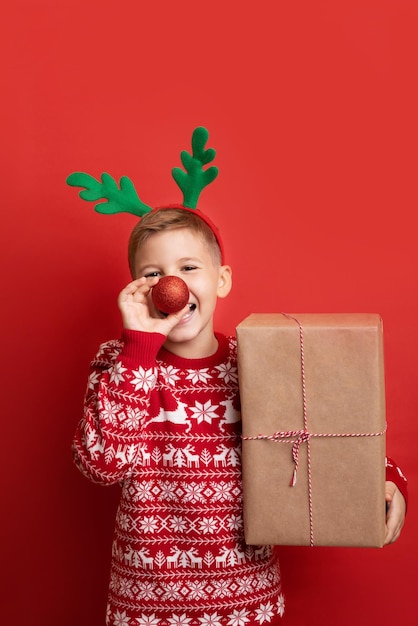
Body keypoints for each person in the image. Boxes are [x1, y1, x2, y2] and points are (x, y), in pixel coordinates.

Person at [72, 206, 407, 626]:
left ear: (221, 280)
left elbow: (320, 435)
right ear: (137, 291)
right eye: (152, 274)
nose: (169, 285)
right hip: (145, 606)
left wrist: (387, 478)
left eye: (188, 267)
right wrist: (138, 349)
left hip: (247, 602)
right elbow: (102, 464)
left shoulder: (257, 363)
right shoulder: (119, 362)